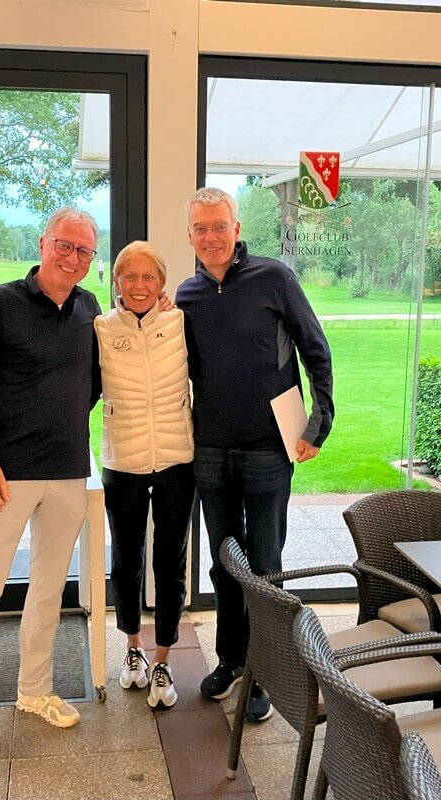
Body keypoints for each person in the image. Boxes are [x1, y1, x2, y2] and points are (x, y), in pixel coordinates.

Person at [0, 207, 102, 780]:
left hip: (68, 473)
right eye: (64, 245)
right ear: (43, 243)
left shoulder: (89, 308)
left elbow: (91, 385)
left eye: (84, 250)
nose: (72, 258)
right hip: (5, 476)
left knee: (49, 590)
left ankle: (35, 690)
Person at [176, 187, 334, 723]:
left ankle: (266, 672)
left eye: (219, 225)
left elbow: (315, 348)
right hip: (210, 450)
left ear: (236, 228)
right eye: (201, 228)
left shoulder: (274, 278)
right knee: (225, 563)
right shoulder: (187, 295)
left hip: (269, 448)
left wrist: (319, 423)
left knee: (265, 567)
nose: (211, 236)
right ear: (190, 235)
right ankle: (231, 660)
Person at [94, 241, 195, 710]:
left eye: (148, 277)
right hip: (122, 464)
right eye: (129, 276)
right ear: (116, 281)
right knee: (126, 561)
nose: (139, 285)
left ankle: (163, 659)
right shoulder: (100, 327)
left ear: (162, 283)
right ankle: (132, 648)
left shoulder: (180, 322)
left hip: (177, 462)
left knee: (170, 564)